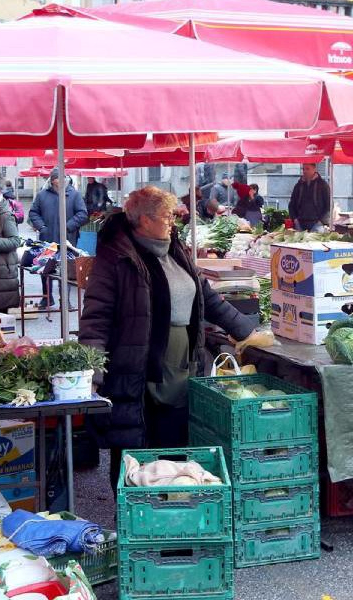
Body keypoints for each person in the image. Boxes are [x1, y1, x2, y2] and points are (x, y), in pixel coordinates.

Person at [78, 186, 265, 491]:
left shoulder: (175, 249)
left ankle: (176, 513)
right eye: (166, 216)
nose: (172, 222)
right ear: (144, 220)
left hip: (183, 368)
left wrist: (246, 331)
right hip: (139, 372)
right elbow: (96, 318)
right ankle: (135, 517)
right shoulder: (117, 258)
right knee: (137, 451)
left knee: (177, 448)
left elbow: (207, 298)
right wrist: (93, 372)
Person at [28, 169, 88, 308]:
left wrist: (68, 226)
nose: (61, 180)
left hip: (67, 239)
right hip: (47, 239)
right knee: (45, 268)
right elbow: (33, 213)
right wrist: (42, 227)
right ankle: (47, 298)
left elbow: (83, 214)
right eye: (57, 178)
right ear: (52, 180)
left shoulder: (74, 195)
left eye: (63, 177)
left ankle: (65, 300)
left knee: (65, 269)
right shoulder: (42, 195)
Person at [288, 162, 331, 231]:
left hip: (317, 224)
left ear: (314, 169)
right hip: (300, 223)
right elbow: (292, 204)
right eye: (303, 169)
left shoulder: (322, 185)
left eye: (307, 169)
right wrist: (295, 220)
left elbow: (329, 205)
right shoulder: (299, 185)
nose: (305, 171)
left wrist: (321, 221)